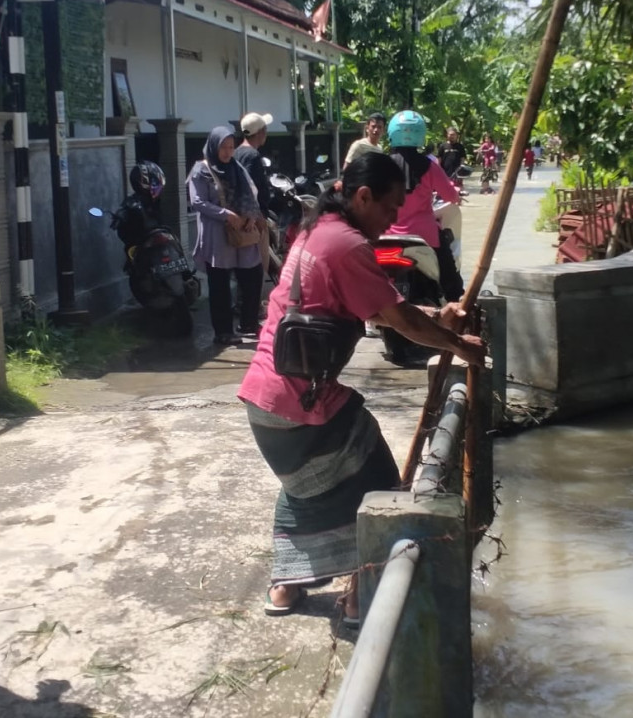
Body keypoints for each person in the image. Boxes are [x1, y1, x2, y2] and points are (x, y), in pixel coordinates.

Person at [238, 153, 485, 621]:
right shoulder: (347, 244)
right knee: (376, 481)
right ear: (363, 196)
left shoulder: (316, 230)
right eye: (390, 208)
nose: (393, 220)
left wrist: (439, 317)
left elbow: (379, 308)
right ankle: (361, 593)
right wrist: (458, 344)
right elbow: (397, 318)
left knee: (304, 487)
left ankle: (285, 588)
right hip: (301, 405)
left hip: (264, 402)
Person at [188, 127, 265, 344]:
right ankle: (223, 332)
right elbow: (197, 202)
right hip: (217, 235)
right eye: (223, 147)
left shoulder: (236, 167)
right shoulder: (200, 171)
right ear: (214, 146)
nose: (228, 152)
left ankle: (248, 323)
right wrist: (225, 215)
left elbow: (251, 193)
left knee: (253, 275)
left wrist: (251, 216)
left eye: (231, 147)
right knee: (220, 284)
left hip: (242, 231)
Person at [386, 110, 464, 302]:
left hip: (387, 233)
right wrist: (456, 193)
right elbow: (450, 196)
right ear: (420, 134)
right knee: (448, 270)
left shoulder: (381, 164)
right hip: (424, 234)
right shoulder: (429, 166)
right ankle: (454, 302)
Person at [234, 112, 273, 279]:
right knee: (258, 267)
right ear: (260, 132)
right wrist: (256, 216)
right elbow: (249, 188)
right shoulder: (253, 156)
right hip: (252, 221)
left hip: (239, 217)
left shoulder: (236, 153)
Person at [113, 161, 165, 249]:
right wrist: (121, 215)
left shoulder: (153, 203)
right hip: (140, 247)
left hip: (158, 246)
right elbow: (124, 232)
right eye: (154, 183)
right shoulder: (131, 202)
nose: (158, 188)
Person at [439, 126, 469, 197]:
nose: (452, 136)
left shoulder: (460, 146)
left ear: (456, 136)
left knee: (458, 190)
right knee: (445, 190)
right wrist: (438, 170)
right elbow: (439, 159)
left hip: (457, 172)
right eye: (450, 134)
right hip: (445, 172)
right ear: (447, 135)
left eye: (453, 135)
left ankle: (457, 200)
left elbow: (462, 158)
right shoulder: (442, 146)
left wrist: (461, 169)